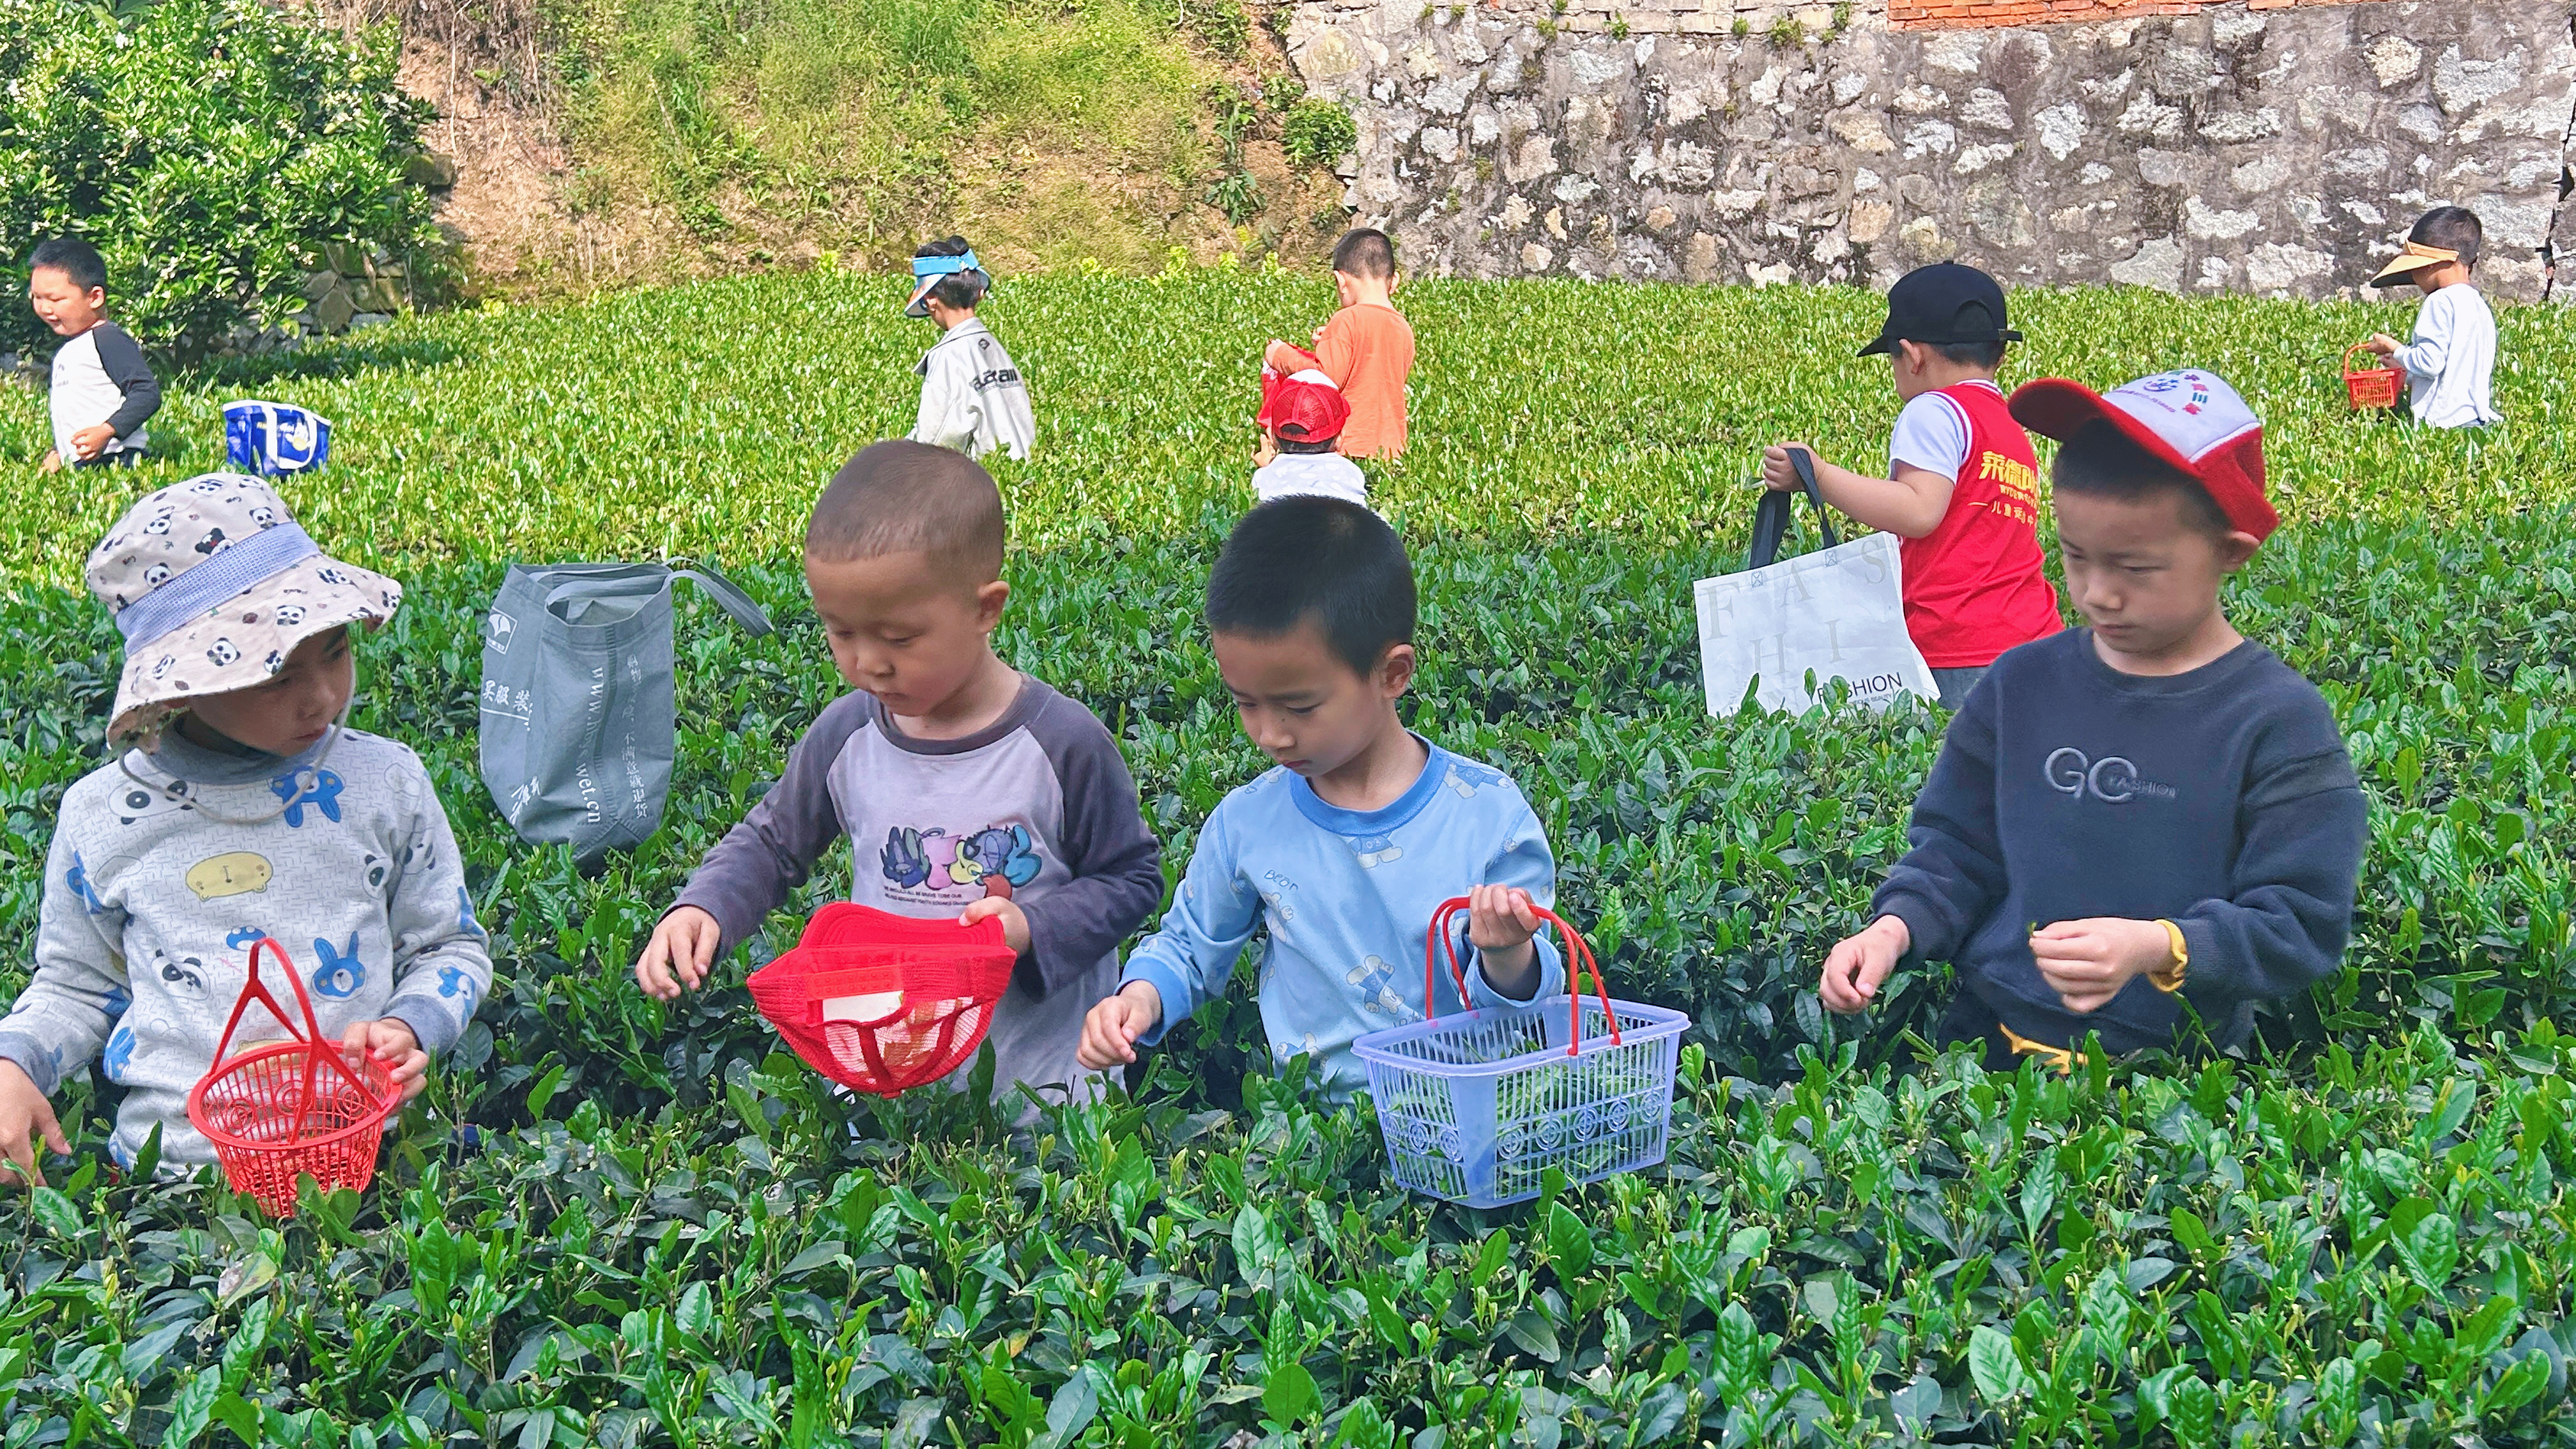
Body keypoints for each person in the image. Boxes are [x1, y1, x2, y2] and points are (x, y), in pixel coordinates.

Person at [1814, 369, 2367, 1070]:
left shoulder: (2277, 721)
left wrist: (2159, 947)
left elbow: (2303, 920)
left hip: (2173, 1085)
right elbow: (1957, 847)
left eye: (2136, 569)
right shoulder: (2021, 682)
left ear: (2232, 552)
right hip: (1979, 1061)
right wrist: (1893, 930)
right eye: (2076, 557)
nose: (2097, 594)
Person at [634, 440, 1162, 1104]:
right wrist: (704, 905)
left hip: (1042, 1090)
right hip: (889, 1084)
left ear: (985, 609)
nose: (869, 664)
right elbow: (772, 841)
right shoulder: (847, 734)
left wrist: (1030, 930)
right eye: (840, 633)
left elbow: (1133, 879)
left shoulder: (1061, 744)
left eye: (900, 638)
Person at [0, 475, 492, 1185]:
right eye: (274, 675)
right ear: (180, 683)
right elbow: (77, 988)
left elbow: (449, 945)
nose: (321, 697)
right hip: (178, 1179)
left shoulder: (385, 781)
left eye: (334, 650)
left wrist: (413, 1025)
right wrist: (16, 1062)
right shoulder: (102, 816)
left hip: (371, 1161)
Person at [1075, 496, 1563, 1097]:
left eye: (1300, 707)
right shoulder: (1250, 823)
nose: (1270, 734)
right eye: (1245, 702)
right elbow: (1191, 947)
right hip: (1312, 1143)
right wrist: (1139, 1000)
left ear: (1392, 674)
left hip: (1469, 1117)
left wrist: (1506, 953)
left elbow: (1530, 1005)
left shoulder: (1487, 815)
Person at [1761, 263, 2062, 710]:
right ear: (1999, 356)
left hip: (1957, 647)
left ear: (1912, 355)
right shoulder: (2008, 428)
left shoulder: (1933, 410)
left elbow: (1920, 511)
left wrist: (1818, 477)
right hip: (2035, 640)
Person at [1264, 229, 1413, 461]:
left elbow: (1326, 379)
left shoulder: (1347, 320)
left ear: (1341, 281)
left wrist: (1281, 356)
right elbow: (1371, 369)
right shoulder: (1403, 328)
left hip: (1350, 449)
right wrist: (1330, 343)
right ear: (1394, 282)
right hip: (1393, 450)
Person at [26, 236, 160, 473]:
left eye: (55, 299)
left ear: (95, 297)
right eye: (37, 297)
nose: (45, 308)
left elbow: (146, 392)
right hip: (85, 463)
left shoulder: (108, 338)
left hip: (118, 458)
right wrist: (60, 451)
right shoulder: (70, 349)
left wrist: (108, 431)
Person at [2361, 207, 2501, 429]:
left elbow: (2430, 364)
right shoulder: (2478, 304)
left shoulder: (2440, 301)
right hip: (2476, 420)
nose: (2415, 277)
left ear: (2434, 263)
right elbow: (2454, 369)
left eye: (2416, 269)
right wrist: (2405, 368)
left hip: (2445, 424)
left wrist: (2395, 348)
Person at [905, 236, 1036, 461]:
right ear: (980, 293)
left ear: (930, 300)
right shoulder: (995, 349)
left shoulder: (948, 356)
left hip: (983, 485)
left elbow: (933, 443)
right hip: (1026, 476)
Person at [1252, 366, 1368, 506]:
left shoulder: (1264, 476)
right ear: (1340, 439)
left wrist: (1266, 467)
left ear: (1272, 436)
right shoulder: (1351, 472)